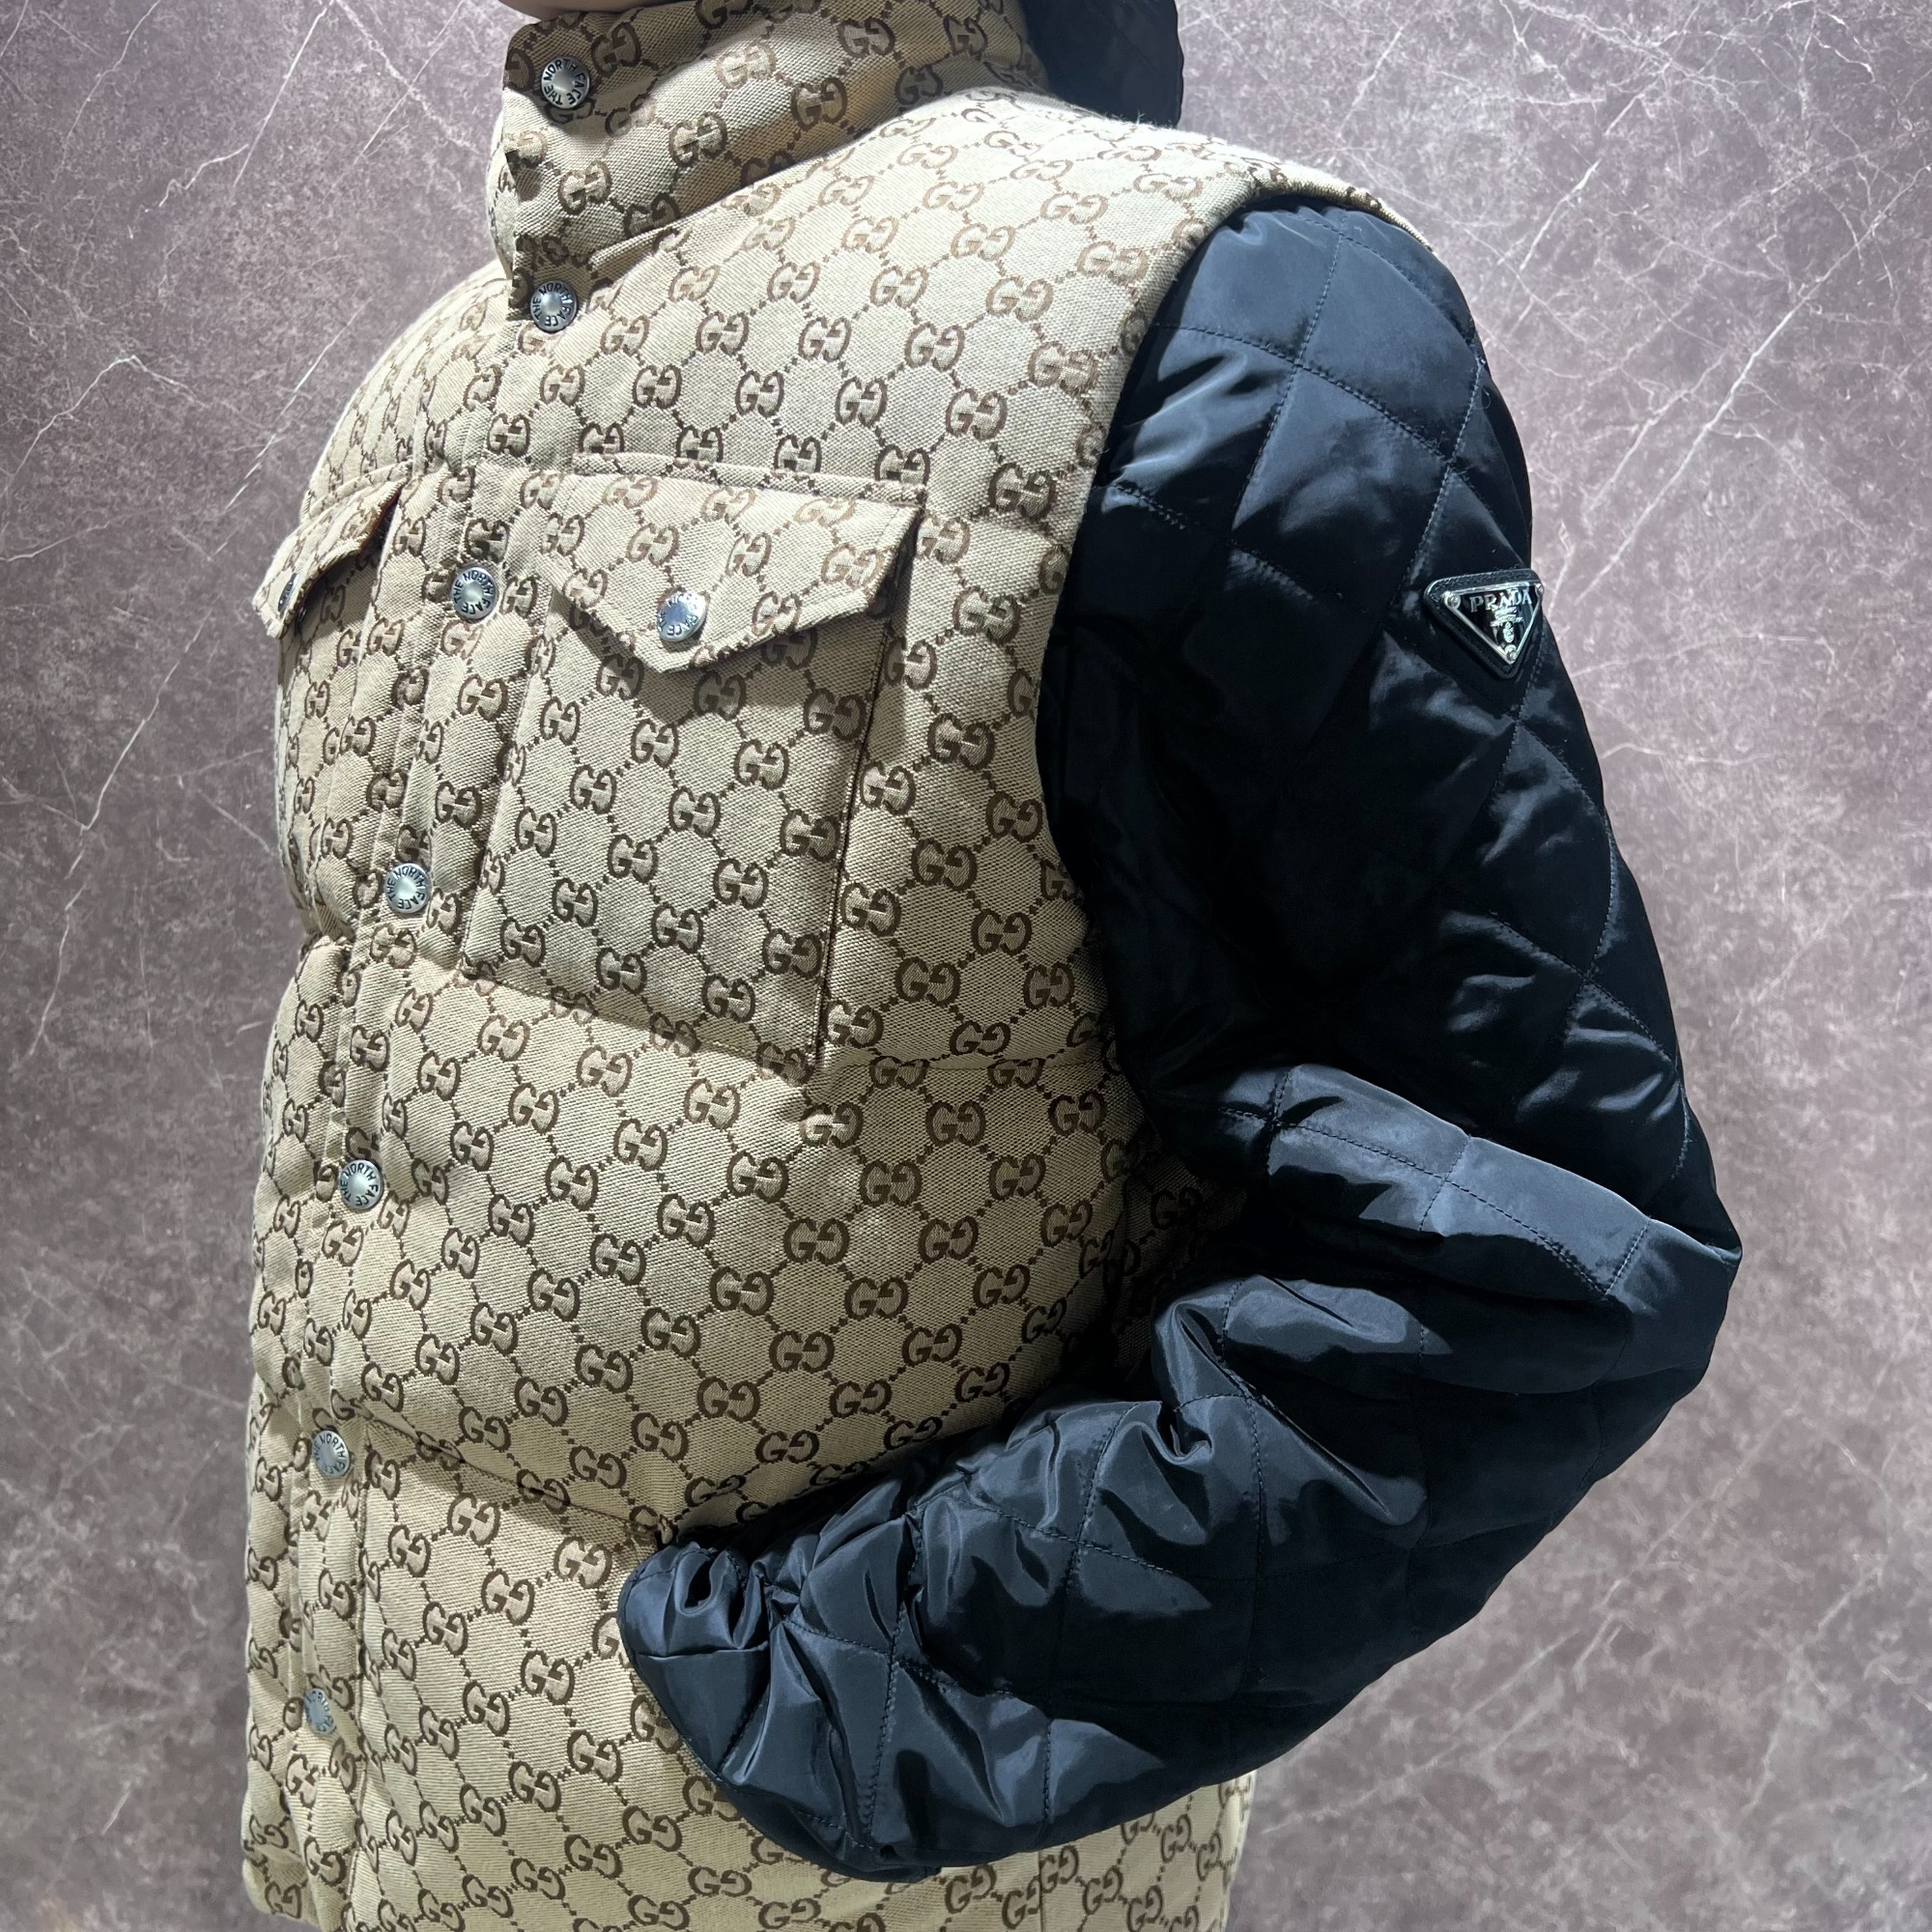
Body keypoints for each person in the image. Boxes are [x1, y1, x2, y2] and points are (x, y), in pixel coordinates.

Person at [243, 0, 1741, 1926]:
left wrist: (831, 1700)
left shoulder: (1210, 323)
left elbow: (1525, 1248)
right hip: (366, 1840)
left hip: (815, 1875)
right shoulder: (429, 389)